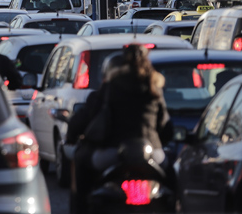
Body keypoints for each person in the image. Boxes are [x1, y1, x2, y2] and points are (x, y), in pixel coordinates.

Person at [66, 45, 173, 213]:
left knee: (80, 161)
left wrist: (72, 135)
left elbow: (84, 118)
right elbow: (166, 128)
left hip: (111, 154)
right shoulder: (154, 90)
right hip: (151, 156)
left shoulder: (110, 88)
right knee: (173, 175)